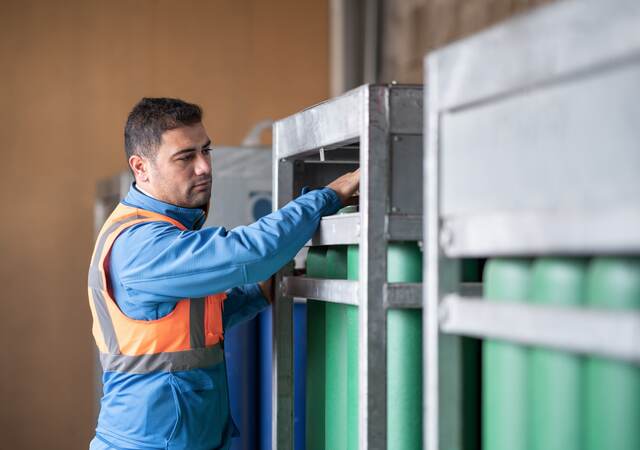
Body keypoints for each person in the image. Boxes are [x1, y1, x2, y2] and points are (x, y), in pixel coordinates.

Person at [88, 97, 360, 450]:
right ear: (141, 168)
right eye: (186, 157)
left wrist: (258, 292)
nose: (204, 167)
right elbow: (248, 252)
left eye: (206, 151)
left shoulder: (167, 229)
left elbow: (196, 324)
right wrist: (329, 196)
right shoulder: (141, 243)